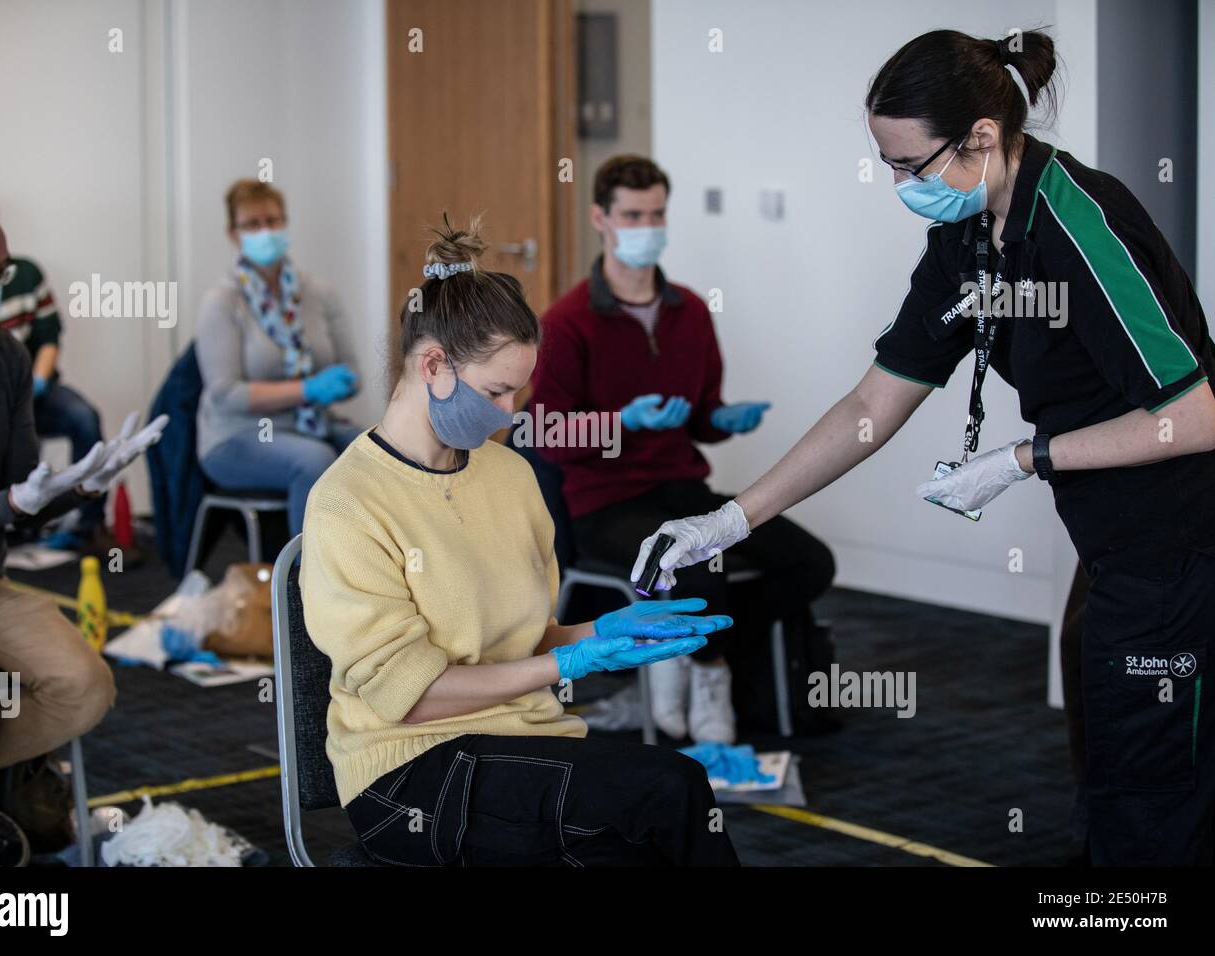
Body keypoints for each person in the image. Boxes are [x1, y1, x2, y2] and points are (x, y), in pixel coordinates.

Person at [630, 29, 1215, 867]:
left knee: (1151, 783)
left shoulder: (1082, 223)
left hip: (1184, 542)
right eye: (887, 165)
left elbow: (1193, 418)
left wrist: (1024, 459)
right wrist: (731, 519)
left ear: (983, 135)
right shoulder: (969, 236)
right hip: (1116, 543)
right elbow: (874, 403)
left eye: (910, 165)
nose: (900, 186)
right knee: (1107, 750)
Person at [300, 215, 740, 866]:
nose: (510, 413)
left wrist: (602, 633)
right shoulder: (348, 502)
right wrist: (569, 664)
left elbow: (523, 641)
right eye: (497, 391)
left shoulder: (508, 474)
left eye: (518, 392)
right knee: (671, 790)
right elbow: (410, 697)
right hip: (406, 775)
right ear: (433, 366)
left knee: (639, 843)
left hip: (516, 736)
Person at [532, 155, 836, 742]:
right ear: (600, 216)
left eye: (656, 213)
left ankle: (685, 653)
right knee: (698, 571)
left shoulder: (691, 311)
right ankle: (710, 671)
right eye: (632, 214)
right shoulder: (567, 322)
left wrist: (723, 418)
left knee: (810, 561)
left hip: (685, 492)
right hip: (606, 504)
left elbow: (700, 418)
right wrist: (621, 421)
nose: (646, 226)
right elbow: (546, 433)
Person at [0, 186, 165, 865]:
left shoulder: (4, 358)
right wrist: (16, 505)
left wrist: (87, 482)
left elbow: (26, 493)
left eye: (1, 271)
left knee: (87, 687)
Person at [196, 180, 363, 537]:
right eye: (252, 224)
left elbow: (352, 371)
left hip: (313, 425)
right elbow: (226, 394)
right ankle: (303, 583)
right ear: (233, 233)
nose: (265, 231)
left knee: (377, 452)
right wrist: (307, 389)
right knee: (314, 460)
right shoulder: (222, 302)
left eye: (272, 221)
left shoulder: (318, 293)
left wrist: (338, 384)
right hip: (235, 436)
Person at [0, 256, 109, 551]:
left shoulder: (26, 274)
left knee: (84, 418)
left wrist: (34, 387)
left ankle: (89, 525)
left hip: (35, 391)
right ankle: (8, 525)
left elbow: (49, 338)